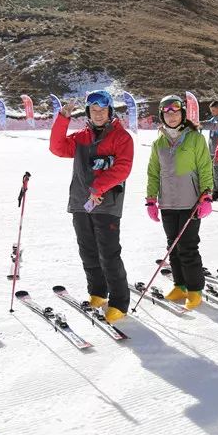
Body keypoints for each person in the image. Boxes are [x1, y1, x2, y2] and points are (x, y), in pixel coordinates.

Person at [50, 90, 134, 323]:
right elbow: (57, 148)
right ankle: (98, 292)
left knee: (108, 254)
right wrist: (62, 119)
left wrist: (99, 187)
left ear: (110, 112)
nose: (98, 114)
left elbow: (123, 168)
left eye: (103, 110)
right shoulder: (80, 138)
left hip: (106, 204)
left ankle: (119, 302)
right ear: (88, 112)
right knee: (87, 251)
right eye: (94, 110)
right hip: (81, 202)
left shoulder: (122, 138)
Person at [146, 95, 214, 309]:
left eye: (176, 111)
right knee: (172, 246)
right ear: (162, 115)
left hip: (190, 201)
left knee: (187, 247)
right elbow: (153, 173)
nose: (172, 115)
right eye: (167, 112)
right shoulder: (159, 142)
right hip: (167, 202)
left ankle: (195, 290)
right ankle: (180, 285)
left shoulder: (195, 138)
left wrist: (207, 195)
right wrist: (150, 199)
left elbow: (205, 168)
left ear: (183, 113)